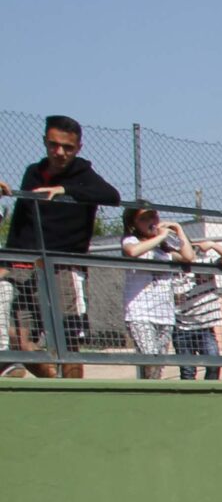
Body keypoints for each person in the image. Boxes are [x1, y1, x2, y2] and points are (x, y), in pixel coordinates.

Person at [2, 114, 121, 378]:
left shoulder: (83, 174)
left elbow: (112, 196)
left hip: (63, 269)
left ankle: (72, 392)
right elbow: (21, 220)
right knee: (20, 340)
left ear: (78, 148)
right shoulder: (33, 172)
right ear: (44, 142)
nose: (60, 152)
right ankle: (54, 385)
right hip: (25, 267)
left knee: (68, 343)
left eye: (67, 147)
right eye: (54, 145)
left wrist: (65, 190)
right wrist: (6, 262)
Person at [120, 206, 195, 379]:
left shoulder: (164, 249)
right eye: (144, 219)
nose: (151, 222)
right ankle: (148, 389)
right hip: (140, 313)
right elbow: (132, 251)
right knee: (150, 355)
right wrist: (160, 236)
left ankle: (150, 389)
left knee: (158, 363)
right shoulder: (131, 240)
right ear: (133, 224)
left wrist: (178, 229)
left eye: (153, 217)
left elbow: (188, 257)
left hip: (164, 313)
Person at [167, 219, 222, 381]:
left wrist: (213, 245)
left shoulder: (202, 263)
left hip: (204, 326)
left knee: (214, 363)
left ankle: (210, 391)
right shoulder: (168, 270)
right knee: (188, 371)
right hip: (181, 327)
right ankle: (190, 395)